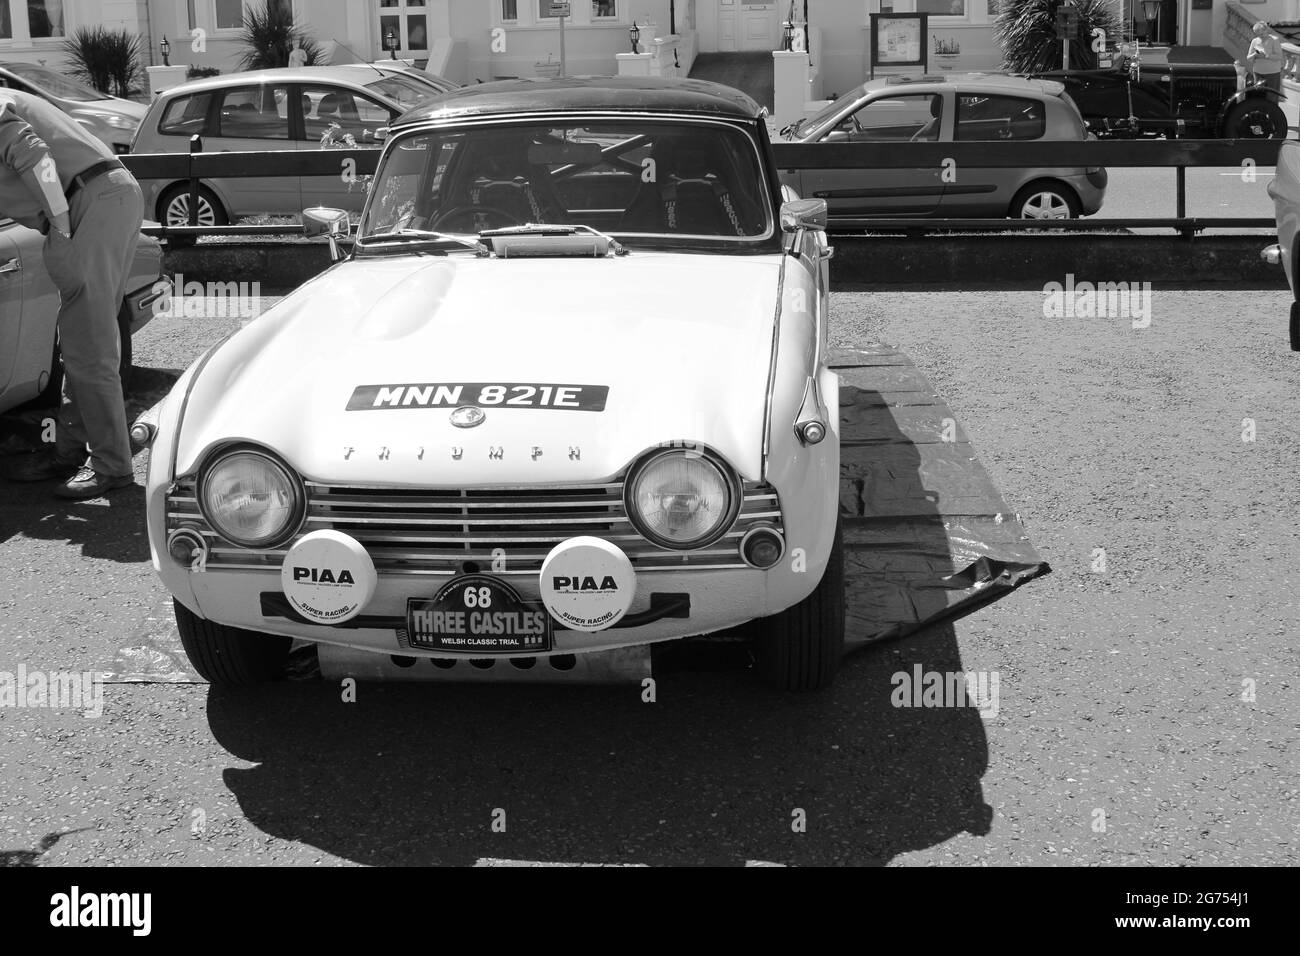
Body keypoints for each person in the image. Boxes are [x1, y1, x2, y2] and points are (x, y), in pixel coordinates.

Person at [0, 89, 143, 499]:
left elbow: (36, 157)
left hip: (86, 204)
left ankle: (111, 467)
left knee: (89, 348)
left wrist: (61, 227)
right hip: (105, 193)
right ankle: (69, 451)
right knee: (83, 341)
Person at [1246, 20, 1283, 94]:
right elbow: (1248, 58)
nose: (1260, 36)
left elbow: (1279, 56)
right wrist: (1255, 55)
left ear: (1266, 30)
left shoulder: (1274, 40)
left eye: (1262, 34)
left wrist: (1266, 56)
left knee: (1271, 95)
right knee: (1259, 95)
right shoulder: (1255, 41)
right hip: (1258, 72)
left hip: (1272, 73)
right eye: (1257, 34)